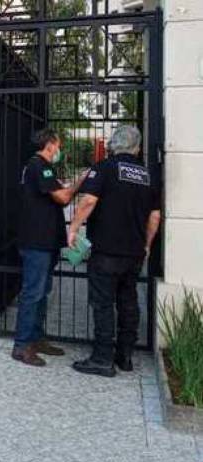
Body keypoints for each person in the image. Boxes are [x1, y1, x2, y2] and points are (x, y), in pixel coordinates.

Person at [69, 126, 161, 377]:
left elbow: (88, 201)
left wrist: (73, 229)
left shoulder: (104, 168)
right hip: (134, 252)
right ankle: (125, 355)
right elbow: (154, 216)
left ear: (113, 145)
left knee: (103, 304)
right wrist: (147, 245)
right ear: (137, 148)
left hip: (106, 251)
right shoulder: (148, 175)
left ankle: (102, 358)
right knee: (128, 301)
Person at [12, 128, 86, 367]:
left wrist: (67, 187)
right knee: (33, 293)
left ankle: (36, 338)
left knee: (42, 292)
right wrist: (80, 182)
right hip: (37, 241)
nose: (59, 150)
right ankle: (22, 345)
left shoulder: (41, 167)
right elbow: (63, 197)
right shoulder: (39, 165)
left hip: (44, 240)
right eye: (58, 145)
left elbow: (56, 193)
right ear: (50, 144)